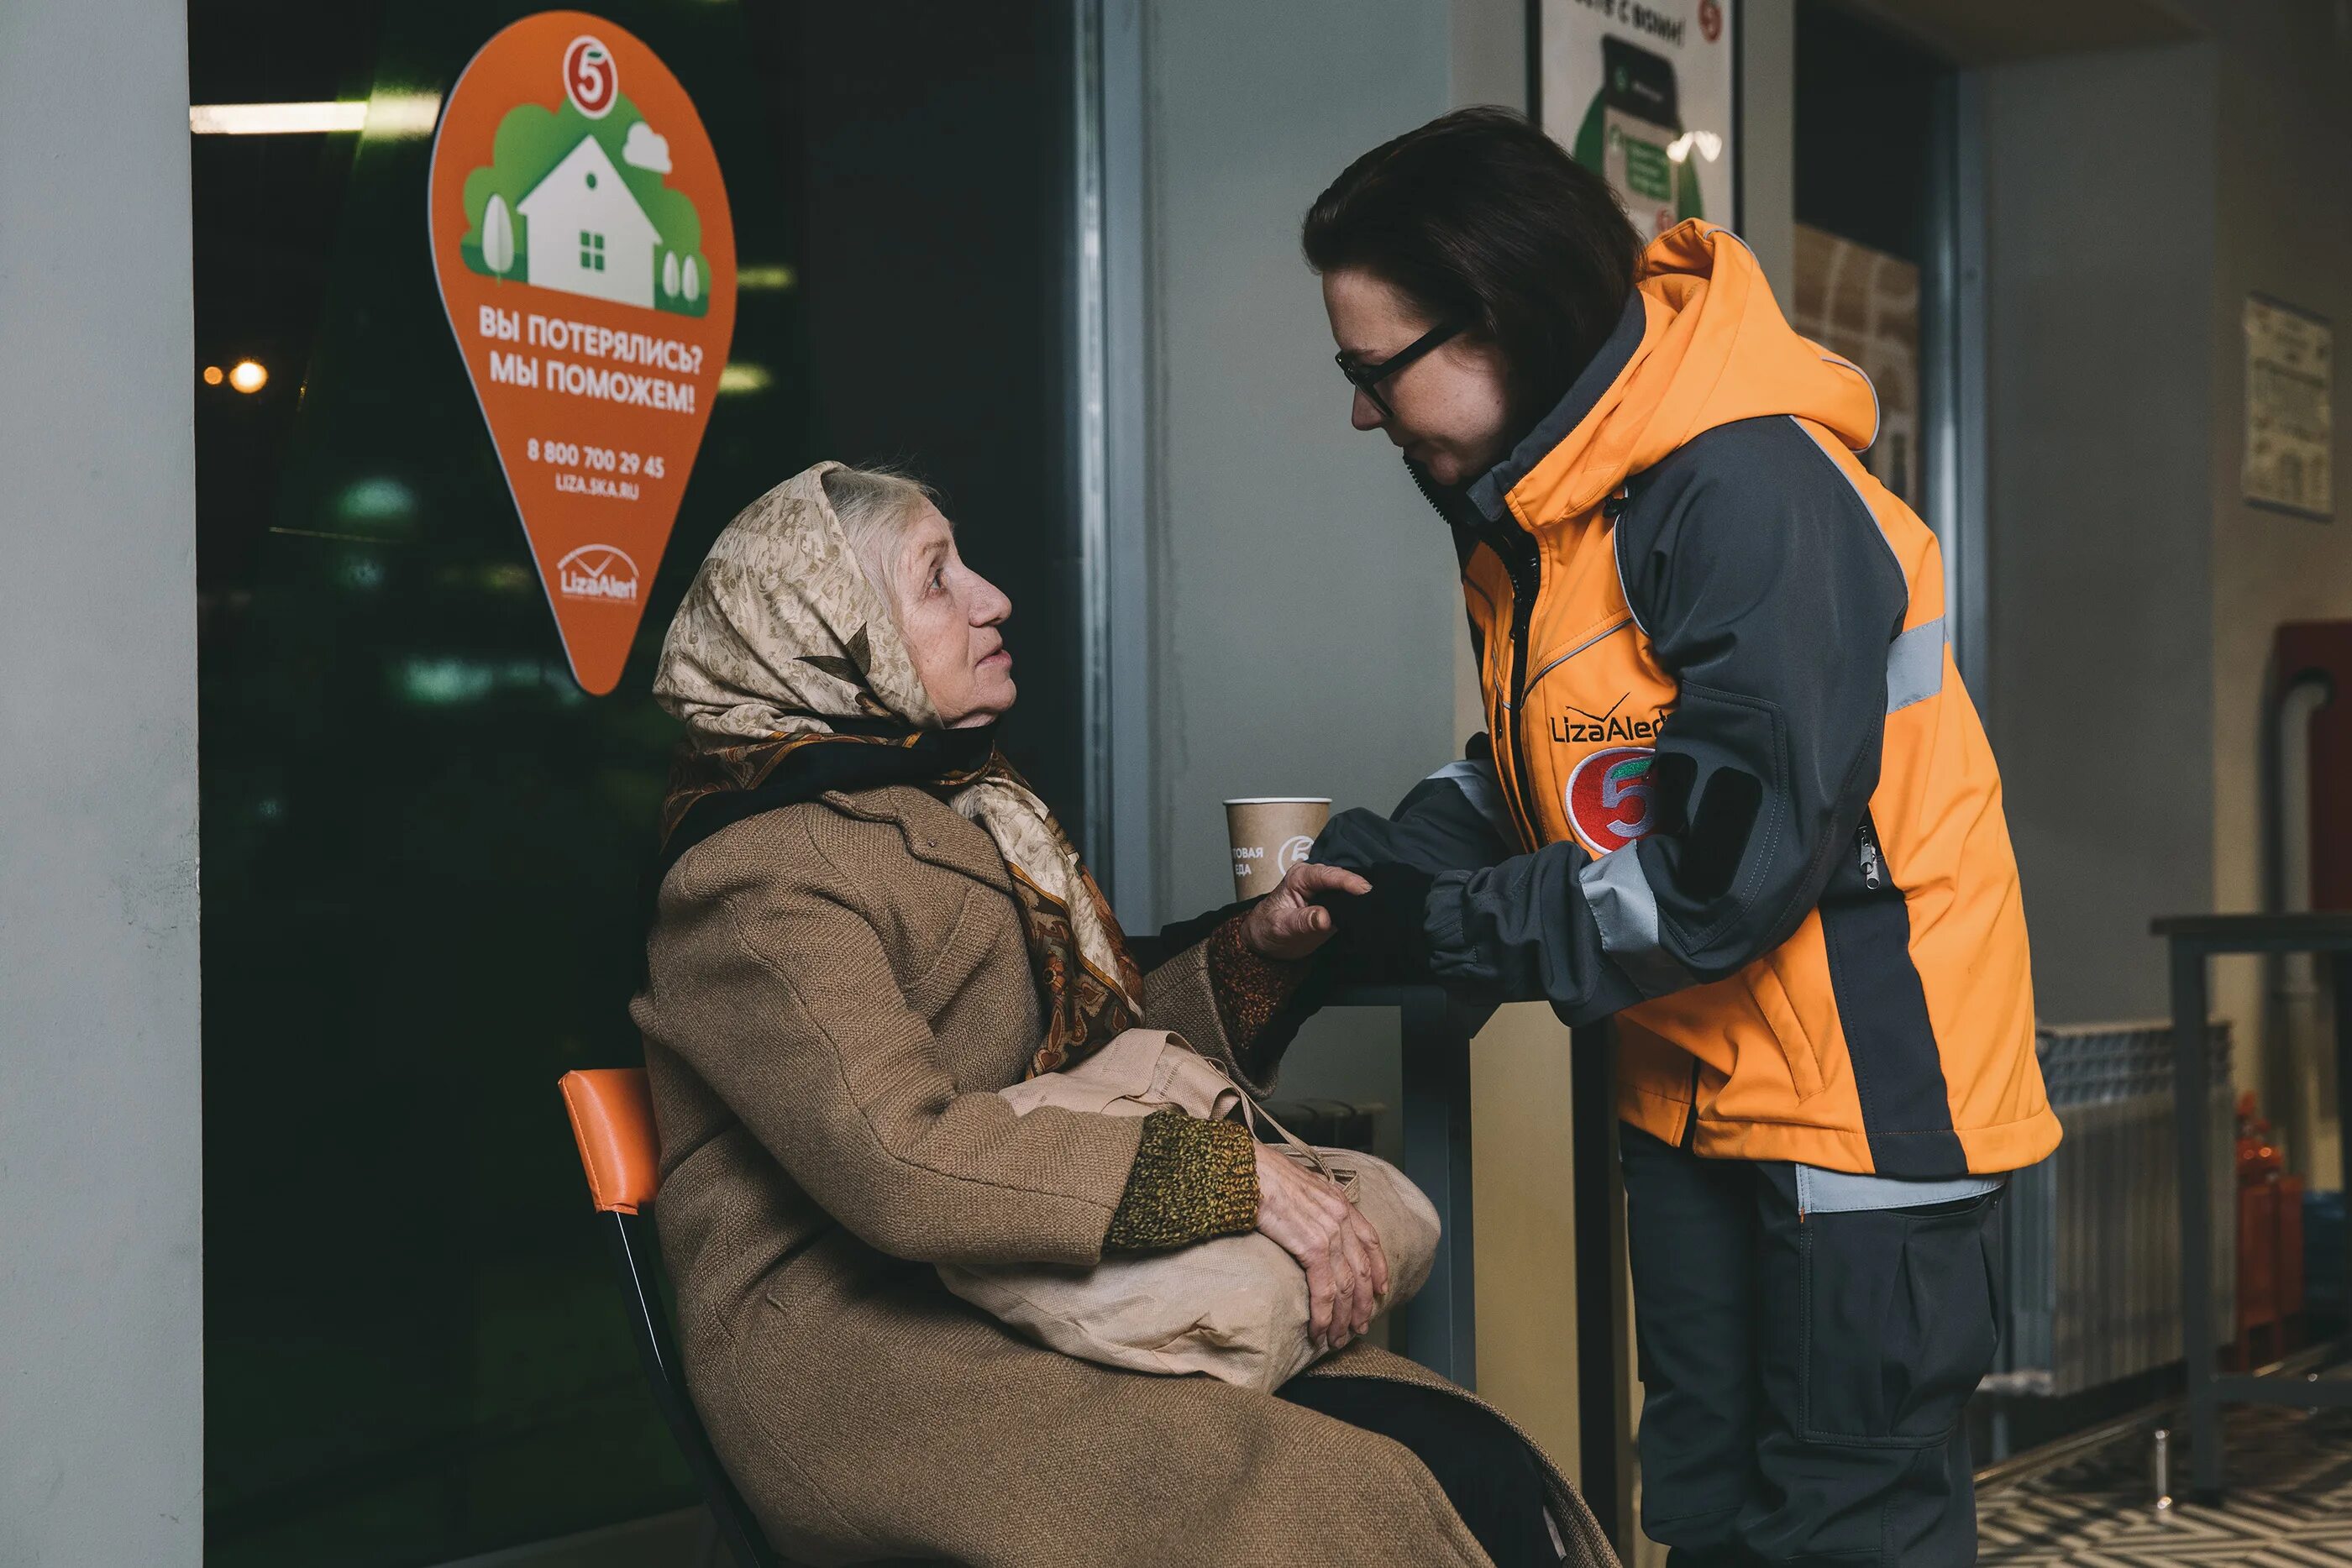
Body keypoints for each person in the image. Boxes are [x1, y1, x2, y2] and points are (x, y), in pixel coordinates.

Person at [1299, 109, 2061, 1566]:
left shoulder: (1741, 487)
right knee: (1706, 1515)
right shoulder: (1544, 514)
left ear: (1491, 314)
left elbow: (1723, 865)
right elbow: (1566, 776)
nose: (1361, 412)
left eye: (1368, 369)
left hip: (1862, 1110)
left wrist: (1442, 927)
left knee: (1844, 1530)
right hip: (1697, 1091)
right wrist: (1379, 867)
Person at [633, 461, 1612, 1568]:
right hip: (865, 1359)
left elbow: (1094, 1060)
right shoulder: (760, 878)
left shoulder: (960, 809)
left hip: (1008, 1291)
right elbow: (903, 1163)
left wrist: (1258, 951)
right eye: (937, 578)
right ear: (831, 632)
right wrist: (1236, 1182)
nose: (991, 599)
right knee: (1345, 1494)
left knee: (1463, 1458)